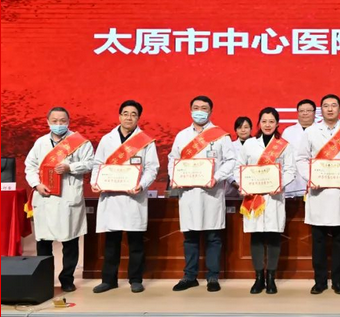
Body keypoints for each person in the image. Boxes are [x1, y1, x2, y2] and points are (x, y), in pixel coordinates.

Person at [295, 94, 340, 295]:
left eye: (334, 105)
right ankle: (319, 281)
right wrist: (311, 177)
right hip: (318, 192)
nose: (330, 109)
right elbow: (301, 159)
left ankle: (338, 281)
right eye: (326, 106)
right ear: (321, 110)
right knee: (318, 240)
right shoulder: (311, 132)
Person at [168, 96, 236, 292]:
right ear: (190, 110)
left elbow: (231, 161)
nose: (199, 111)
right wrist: (175, 177)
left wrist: (216, 177)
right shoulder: (182, 136)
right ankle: (189, 276)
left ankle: (213, 277)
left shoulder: (221, 136)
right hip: (188, 193)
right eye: (196, 107)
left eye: (204, 108)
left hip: (211, 193)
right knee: (190, 237)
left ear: (210, 112)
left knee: (213, 237)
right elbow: (173, 159)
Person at [91, 100, 160, 294]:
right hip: (111, 198)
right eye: (125, 113)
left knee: (136, 243)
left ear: (138, 118)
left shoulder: (146, 141)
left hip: (133, 199)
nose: (129, 117)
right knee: (111, 242)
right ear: (119, 116)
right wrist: (95, 182)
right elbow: (98, 164)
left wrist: (141, 185)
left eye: (133, 114)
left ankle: (135, 280)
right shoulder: (107, 140)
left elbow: (152, 168)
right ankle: (108, 280)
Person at [24, 106, 94, 292]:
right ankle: (45, 279)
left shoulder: (80, 143)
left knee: (70, 242)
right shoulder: (40, 143)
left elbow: (90, 163)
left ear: (68, 122)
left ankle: (67, 279)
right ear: (48, 122)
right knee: (44, 243)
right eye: (54, 121)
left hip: (68, 198)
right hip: (45, 197)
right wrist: (36, 184)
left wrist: (70, 167)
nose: (58, 124)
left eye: (62, 121)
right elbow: (30, 166)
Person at [237, 107, 296, 294]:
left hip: (273, 197)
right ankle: (258, 279)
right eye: (264, 121)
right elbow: (239, 168)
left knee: (273, 236)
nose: (267, 125)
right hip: (253, 197)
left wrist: (279, 184)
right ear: (259, 123)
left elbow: (290, 170)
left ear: (277, 124)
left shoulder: (284, 145)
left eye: (271, 121)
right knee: (256, 237)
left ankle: (271, 278)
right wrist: (244, 184)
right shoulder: (249, 144)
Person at [281, 99, 317, 198]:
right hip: (293, 181)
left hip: (316, 179)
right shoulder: (288, 132)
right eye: (301, 111)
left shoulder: (320, 131)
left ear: (315, 112)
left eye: (308, 110)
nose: (305, 113)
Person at [227, 117, 252, 198]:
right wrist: (236, 184)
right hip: (233, 189)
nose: (243, 130)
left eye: (246, 127)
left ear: (251, 129)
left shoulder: (257, 146)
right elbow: (226, 168)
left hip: (253, 186)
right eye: (239, 127)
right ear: (236, 130)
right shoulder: (230, 146)